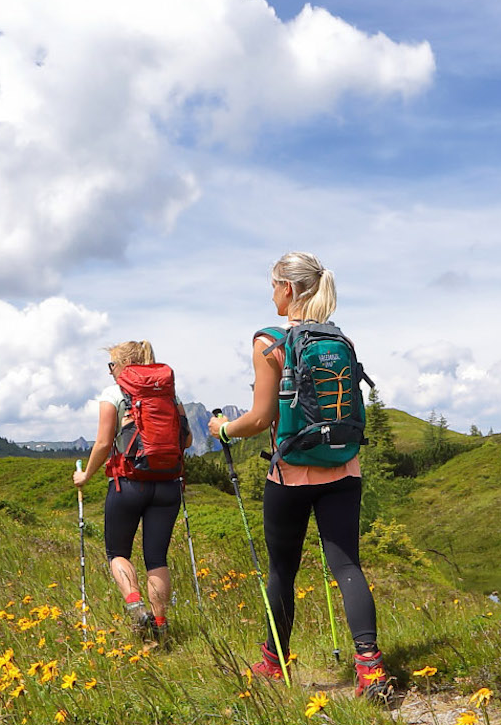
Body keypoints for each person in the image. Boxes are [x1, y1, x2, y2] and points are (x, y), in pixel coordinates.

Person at [209, 252, 386, 698]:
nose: (271, 293)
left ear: (288, 289)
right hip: (344, 467)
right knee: (347, 565)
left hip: (290, 473)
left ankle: (273, 662)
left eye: (272, 284)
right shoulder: (337, 339)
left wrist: (222, 430)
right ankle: (370, 667)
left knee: (282, 570)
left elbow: (258, 418)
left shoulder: (269, 341)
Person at [72, 340, 191, 643]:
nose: (110, 372)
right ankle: (161, 625)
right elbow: (186, 440)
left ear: (122, 365)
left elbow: (101, 443)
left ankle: (135, 605)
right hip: (167, 484)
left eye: (111, 365)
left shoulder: (114, 394)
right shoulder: (169, 393)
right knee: (156, 558)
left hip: (128, 483)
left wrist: (85, 475)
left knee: (117, 552)